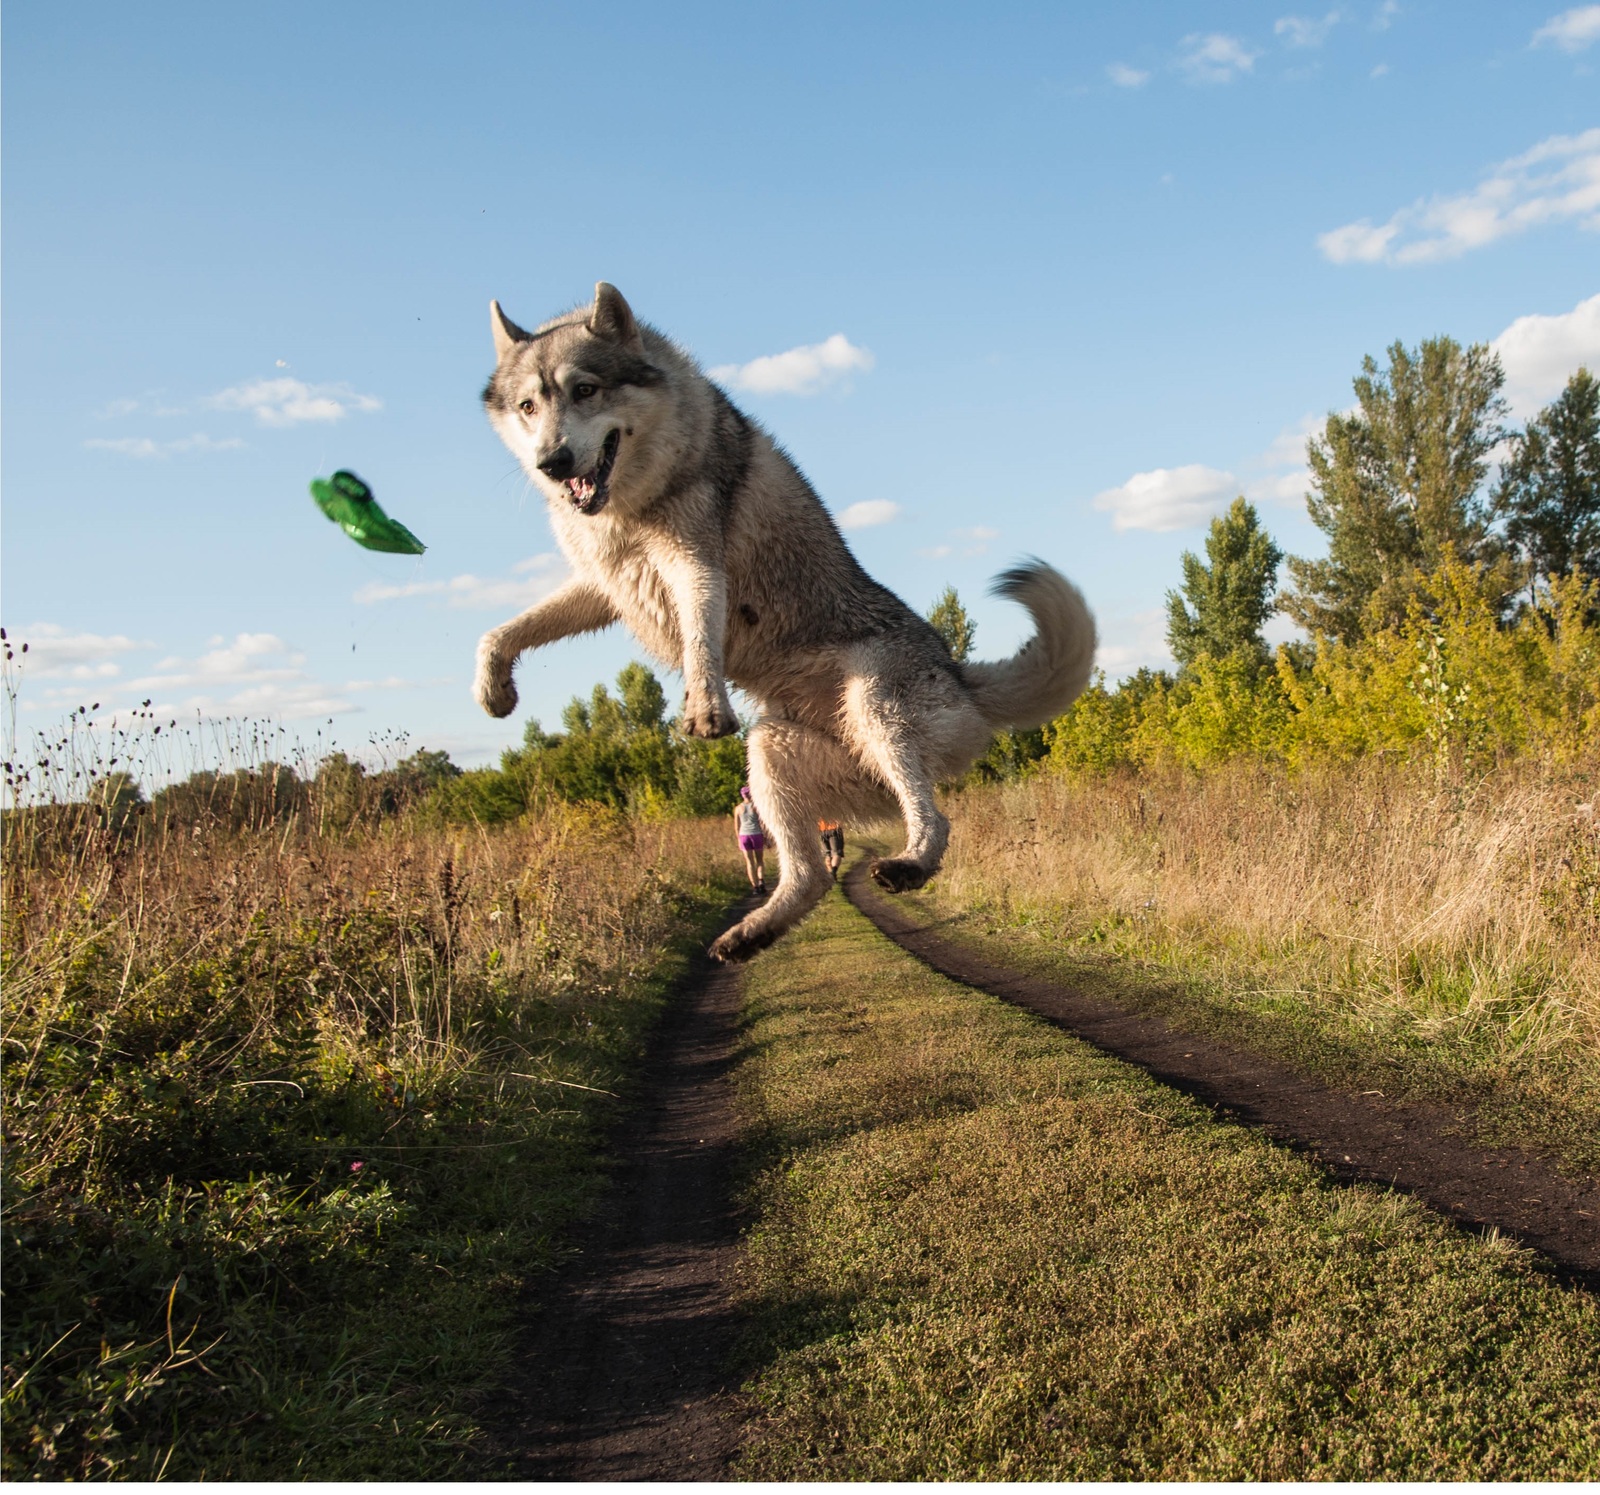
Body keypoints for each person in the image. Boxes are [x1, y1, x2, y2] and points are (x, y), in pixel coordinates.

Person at [733, 785, 768, 895]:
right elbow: (762, 824)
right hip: (756, 835)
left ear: (742, 795)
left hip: (744, 836)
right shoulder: (756, 807)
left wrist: (738, 838)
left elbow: (737, 826)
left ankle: (755, 887)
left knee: (749, 862)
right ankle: (761, 881)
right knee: (759, 861)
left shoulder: (738, 809)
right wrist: (766, 837)